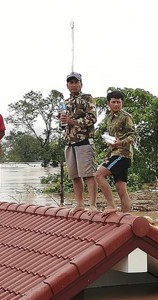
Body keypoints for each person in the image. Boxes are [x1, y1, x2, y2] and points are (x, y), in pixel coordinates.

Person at [59, 72, 98, 214]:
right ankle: (80, 203)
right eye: (71, 82)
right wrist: (63, 121)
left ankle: (93, 204)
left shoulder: (88, 98)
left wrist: (73, 121)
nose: (73, 85)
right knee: (74, 175)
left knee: (89, 174)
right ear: (67, 85)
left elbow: (92, 119)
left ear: (81, 84)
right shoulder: (64, 103)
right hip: (69, 142)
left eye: (76, 82)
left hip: (84, 140)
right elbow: (62, 125)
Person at [95, 90, 136, 215]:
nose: (116, 104)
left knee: (98, 175)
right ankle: (126, 216)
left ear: (122, 103)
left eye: (119, 102)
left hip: (122, 155)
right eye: (114, 102)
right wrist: (111, 143)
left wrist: (120, 143)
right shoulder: (109, 119)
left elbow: (133, 136)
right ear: (108, 103)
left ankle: (111, 205)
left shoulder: (126, 116)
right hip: (114, 153)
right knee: (121, 188)